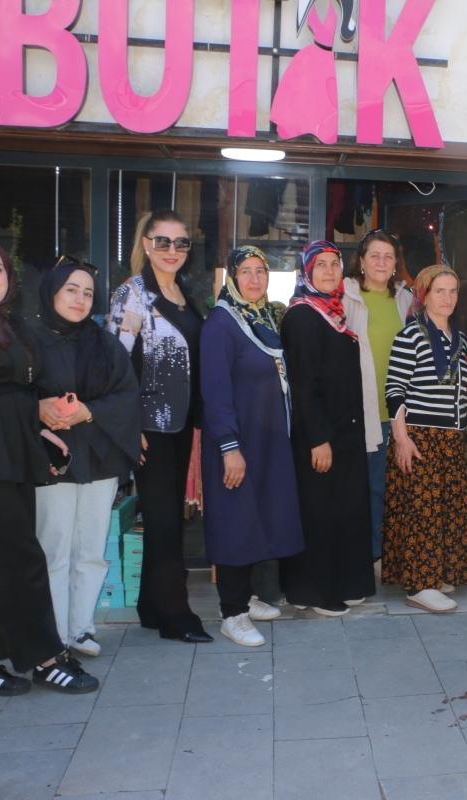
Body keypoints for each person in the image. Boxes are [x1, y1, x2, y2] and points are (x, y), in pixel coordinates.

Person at [0, 237, 99, 695]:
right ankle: (46, 659)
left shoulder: (3, 321)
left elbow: (9, 395)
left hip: (8, 454)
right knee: (23, 560)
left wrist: (38, 427)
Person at [107, 209, 212, 643]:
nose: (172, 250)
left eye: (181, 242)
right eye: (163, 241)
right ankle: (175, 616)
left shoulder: (185, 292)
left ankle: (151, 605)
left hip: (181, 425)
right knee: (166, 520)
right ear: (146, 244)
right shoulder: (132, 294)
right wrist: (130, 426)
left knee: (165, 519)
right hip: (150, 427)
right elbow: (115, 364)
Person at [33, 256, 140, 658]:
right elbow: (11, 396)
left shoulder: (105, 344)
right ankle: (54, 635)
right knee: (54, 548)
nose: (79, 299)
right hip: (53, 458)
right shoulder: (28, 342)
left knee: (91, 549)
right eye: (71, 290)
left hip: (98, 456)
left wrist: (89, 412)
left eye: (88, 293)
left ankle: (80, 629)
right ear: (52, 292)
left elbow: (127, 396)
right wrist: (39, 409)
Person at [200, 247, 305, 647]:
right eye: (246, 271)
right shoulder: (221, 323)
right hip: (237, 443)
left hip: (267, 441)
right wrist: (229, 447)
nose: (255, 279)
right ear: (232, 276)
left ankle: (246, 598)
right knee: (235, 521)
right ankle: (232, 613)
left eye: (261, 271)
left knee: (258, 516)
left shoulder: (261, 318)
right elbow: (215, 392)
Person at [280, 241, 375, 617]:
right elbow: (303, 384)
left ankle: (346, 584)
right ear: (307, 271)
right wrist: (318, 439)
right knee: (320, 513)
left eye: (334, 264)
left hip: (344, 431)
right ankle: (315, 592)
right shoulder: (303, 315)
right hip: (320, 436)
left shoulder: (335, 312)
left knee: (344, 510)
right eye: (320, 265)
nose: (329, 271)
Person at [381, 265, 467, 612]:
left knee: (446, 510)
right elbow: (395, 390)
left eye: (453, 291)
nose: (447, 298)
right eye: (439, 291)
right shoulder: (412, 335)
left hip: (452, 439)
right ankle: (420, 584)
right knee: (423, 512)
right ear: (424, 295)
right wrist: (401, 439)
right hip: (420, 437)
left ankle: (435, 573)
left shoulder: (460, 339)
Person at [343, 229, 416, 576]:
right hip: (362, 410)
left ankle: (392, 552)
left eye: (388, 257)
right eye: (375, 256)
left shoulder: (405, 298)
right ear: (361, 261)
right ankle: (371, 555)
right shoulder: (345, 296)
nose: (382, 262)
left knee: (395, 488)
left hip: (399, 411)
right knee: (368, 487)